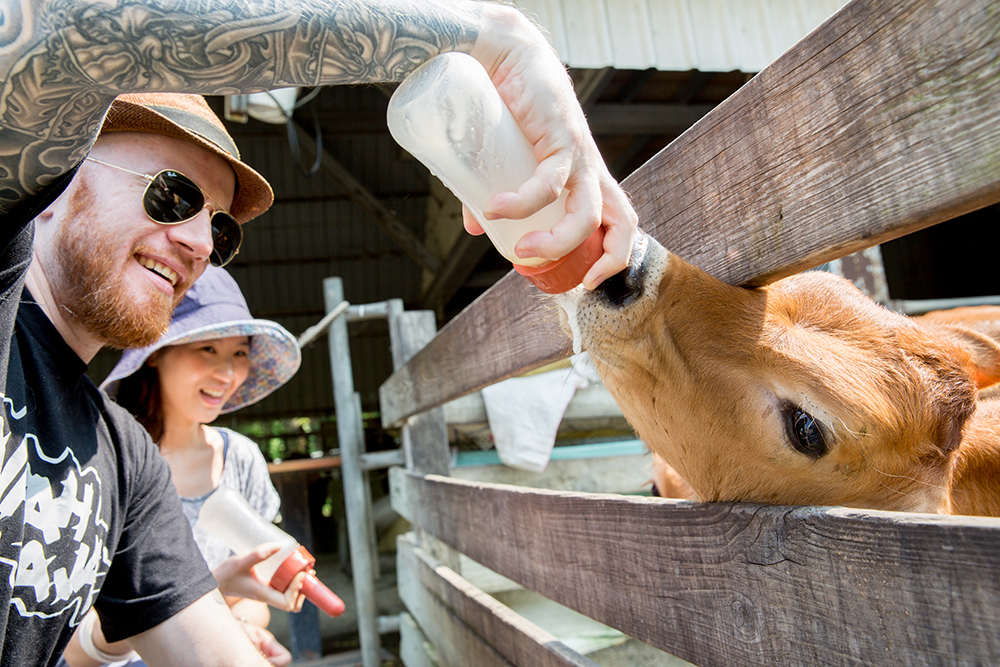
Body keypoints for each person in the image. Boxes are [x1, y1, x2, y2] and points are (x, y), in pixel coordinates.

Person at [0, 1, 639, 665]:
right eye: (174, 195)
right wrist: (500, 41)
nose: (197, 242)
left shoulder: (124, 462)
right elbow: (55, 32)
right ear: (53, 181)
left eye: (220, 229)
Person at [57, 266, 304, 667]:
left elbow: (252, 601)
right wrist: (200, 600)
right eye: (208, 348)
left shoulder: (240, 460)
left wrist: (243, 628)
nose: (227, 373)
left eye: (239, 352)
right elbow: (74, 649)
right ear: (155, 353)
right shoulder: (101, 461)